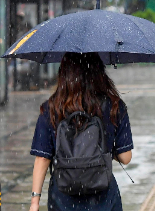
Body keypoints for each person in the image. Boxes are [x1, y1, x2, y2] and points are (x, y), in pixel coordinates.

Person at [29, 52, 133, 211]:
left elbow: (42, 159)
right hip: (103, 198)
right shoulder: (114, 106)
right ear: (99, 72)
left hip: (63, 199)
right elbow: (125, 157)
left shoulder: (51, 108)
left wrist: (35, 202)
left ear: (64, 73)